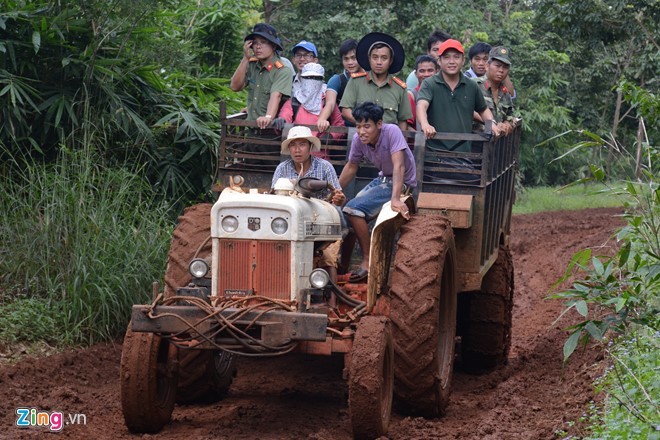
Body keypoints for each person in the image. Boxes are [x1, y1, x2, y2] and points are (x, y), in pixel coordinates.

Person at [337, 102, 416, 282]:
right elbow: (351, 167)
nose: (361, 131)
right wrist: (334, 190)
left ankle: (367, 260)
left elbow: (399, 165)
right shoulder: (359, 140)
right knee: (345, 213)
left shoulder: (392, 131)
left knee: (353, 209)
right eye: (358, 126)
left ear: (379, 124)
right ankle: (343, 265)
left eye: (367, 126)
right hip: (381, 179)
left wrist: (395, 198)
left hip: (400, 182)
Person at [416, 39, 500, 184]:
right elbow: (421, 105)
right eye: (447, 57)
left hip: (463, 157)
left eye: (456, 57)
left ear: (463, 61)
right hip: (434, 156)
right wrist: (425, 124)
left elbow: (483, 110)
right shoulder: (430, 84)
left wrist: (491, 124)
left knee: (468, 192)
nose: (451, 61)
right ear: (439, 61)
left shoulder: (471, 86)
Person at [272, 126, 346, 280]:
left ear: (310, 147)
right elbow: (274, 198)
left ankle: (331, 300)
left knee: (327, 257)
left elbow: (338, 196)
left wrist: (338, 199)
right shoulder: (282, 169)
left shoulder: (325, 167)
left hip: (321, 223)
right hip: (290, 223)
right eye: (293, 145)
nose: (297, 150)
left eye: (302, 144)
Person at [339, 32, 412, 131]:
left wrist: (400, 142)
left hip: (389, 141)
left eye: (384, 58)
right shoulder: (356, 81)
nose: (379, 62)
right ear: (369, 59)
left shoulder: (399, 87)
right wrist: (364, 126)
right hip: (362, 138)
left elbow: (403, 121)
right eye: (375, 57)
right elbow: (346, 111)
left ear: (390, 61)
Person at [230, 23, 292, 130]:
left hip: (272, 130)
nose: (258, 47)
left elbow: (276, 96)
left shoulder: (282, 69)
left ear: (273, 46)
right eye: (255, 43)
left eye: (263, 42)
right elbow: (235, 87)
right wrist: (245, 58)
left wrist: (268, 117)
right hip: (252, 127)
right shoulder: (252, 64)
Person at [275, 63, 345, 157]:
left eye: (316, 78)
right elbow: (285, 116)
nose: (312, 81)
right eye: (307, 78)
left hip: (320, 157)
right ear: (302, 79)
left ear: (321, 80)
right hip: (296, 155)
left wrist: (331, 135)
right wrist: (281, 121)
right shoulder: (294, 102)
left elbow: (339, 124)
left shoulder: (327, 103)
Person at [317, 39, 363, 130]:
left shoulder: (370, 78)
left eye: (354, 58)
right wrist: (322, 119)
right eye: (346, 59)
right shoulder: (337, 80)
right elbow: (330, 103)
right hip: (343, 130)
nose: (350, 62)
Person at [475, 46, 516, 136]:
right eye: (497, 66)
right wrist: (494, 123)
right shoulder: (474, 85)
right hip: (475, 142)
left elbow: (510, 116)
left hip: (496, 145)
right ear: (487, 66)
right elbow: (467, 111)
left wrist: (506, 124)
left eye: (505, 67)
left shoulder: (505, 92)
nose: (501, 70)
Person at [406, 55, 438, 129]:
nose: (426, 74)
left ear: (437, 72)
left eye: (430, 70)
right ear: (416, 74)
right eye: (422, 71)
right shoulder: (411, 95)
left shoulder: (443, 93)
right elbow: (408, 126)